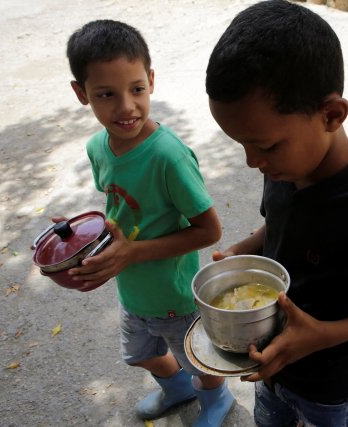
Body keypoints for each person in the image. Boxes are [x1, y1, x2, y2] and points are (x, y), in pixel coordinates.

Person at [206, 1, 348, 426]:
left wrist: (320, 337)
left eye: (265, 146)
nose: (253, 161)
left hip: (331, 382)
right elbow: (279, 222)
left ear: (331, 114)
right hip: (269, 364)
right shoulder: (284, 166)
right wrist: (245, 249)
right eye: (243, 146)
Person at [65, 20, 234, 425]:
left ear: (151, 81)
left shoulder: (168, 157)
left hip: (174, 296)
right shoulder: (97, 147)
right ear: (81, 94)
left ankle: (216, 399)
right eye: (106, 94)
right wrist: (79, 235)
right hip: (132, 289)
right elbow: (120, 211)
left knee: (200, 358)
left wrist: (132, 252)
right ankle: (176, 390)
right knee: (141, 354)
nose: (126, 107)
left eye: (136, 89)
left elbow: (210, 232)